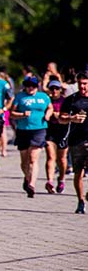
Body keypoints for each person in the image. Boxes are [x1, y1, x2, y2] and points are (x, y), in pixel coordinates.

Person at [10, 75, 53, 198]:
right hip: (23, 130)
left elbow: (49, 108)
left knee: (33, 158)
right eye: (28, 86)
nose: (30, 88)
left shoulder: (43, 97)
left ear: (37, 86)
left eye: (33, 86)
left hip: (39, 129)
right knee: (24, 161)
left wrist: (48, 116)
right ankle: (27, 177)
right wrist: (22, 114)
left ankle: (32, 185)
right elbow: (12, 114)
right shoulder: (20, 97)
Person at [59, 70, 88, 214]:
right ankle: (81, 200)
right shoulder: (71, 100)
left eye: (85, 84)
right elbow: (61, 118)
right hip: (76, 141)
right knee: (79, 173)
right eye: (80, 84)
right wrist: (72, 118)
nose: (82, 87)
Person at [44, 79, 68, 194]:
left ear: (60, 90)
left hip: (63, 131)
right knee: (50, 156)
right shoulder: (46, 100)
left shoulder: (66, 101)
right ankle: (50, 181)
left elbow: (70, 115)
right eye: (52, 88)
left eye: (56, 88)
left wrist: (60, 116)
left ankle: (62, 178)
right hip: (50, 131)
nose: (54, 91)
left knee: (62, 159)